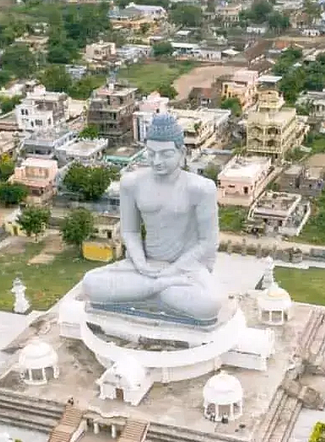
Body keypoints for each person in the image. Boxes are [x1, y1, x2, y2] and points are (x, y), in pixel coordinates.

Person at [81, 113, 224, 323]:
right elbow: (130, 231)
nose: (157, 161)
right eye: (151, 153)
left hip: (184, 268)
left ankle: (147, 292)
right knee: (91, 283)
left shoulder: (200, 188)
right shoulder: (132, 183)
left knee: (210, 304)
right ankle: (158, 290)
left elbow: (209, 242)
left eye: (166, 154)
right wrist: (141, 263)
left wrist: (172, 270)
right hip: (146, 266)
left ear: (182, 152)